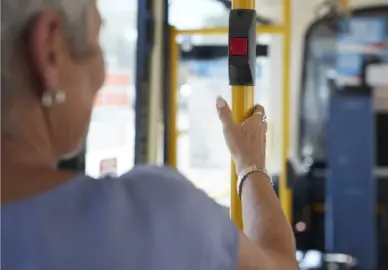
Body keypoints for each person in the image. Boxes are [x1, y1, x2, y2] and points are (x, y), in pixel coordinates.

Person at [1, 0, 297, 269]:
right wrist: (251, 166)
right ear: (49, 48)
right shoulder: (154, 219)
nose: (102, 74)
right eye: (96, 41)